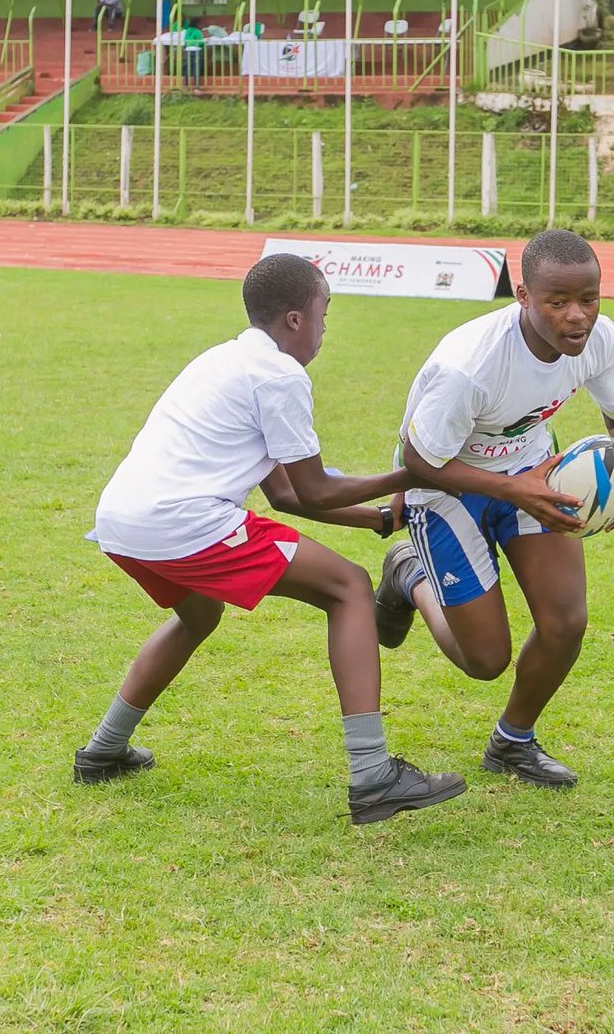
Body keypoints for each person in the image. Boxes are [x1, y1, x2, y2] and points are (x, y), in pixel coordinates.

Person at [76, 253, 466, 825]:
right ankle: (373, 775)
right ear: (293, 319)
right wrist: (416, 474)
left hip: (123, 522)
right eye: (324, 312)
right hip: (187, 522)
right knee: (351, 587)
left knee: (198, 617)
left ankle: (104, 749)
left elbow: (285, 496)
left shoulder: (225, 360)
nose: (326, 325)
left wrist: (380, 518)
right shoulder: (281, 376)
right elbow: (311, 489)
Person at [375, 228, 614, 790]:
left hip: (533, 469)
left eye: (589, 299)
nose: (576, 316)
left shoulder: (600, 339)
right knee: (483, 660)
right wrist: (515, 489)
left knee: (566, 622)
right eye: (558, 302)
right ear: (522, 294)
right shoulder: (471, 365)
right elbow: (418, 461)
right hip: (442, 486)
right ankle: (407, 572)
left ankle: (513, 742)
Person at [181, 18, 206, 85]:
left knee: (187, 68)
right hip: (196, 50)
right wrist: (204, 43)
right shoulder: (197, 31)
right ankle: (196, 85)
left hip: (188, 50)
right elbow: (200, 42)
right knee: (196, 68)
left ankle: (186, 84)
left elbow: (185, 41)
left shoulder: (187, 31)